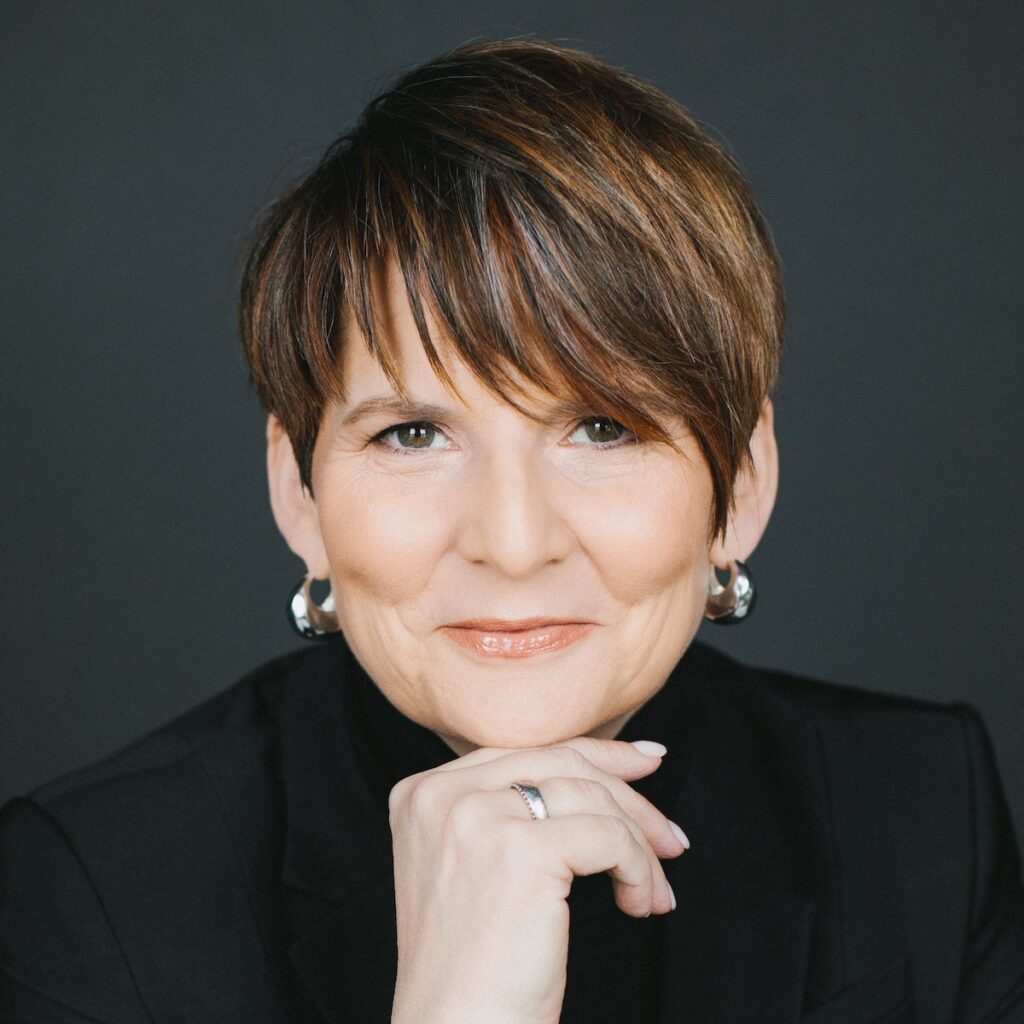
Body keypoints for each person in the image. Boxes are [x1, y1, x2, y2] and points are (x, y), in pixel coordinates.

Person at [1, 36, 1021, 1024]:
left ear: (739, 484)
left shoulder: (920, 808)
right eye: (412, 433)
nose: (514, 540)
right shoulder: (93, 888)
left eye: (603, 426)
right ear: (299, 493)